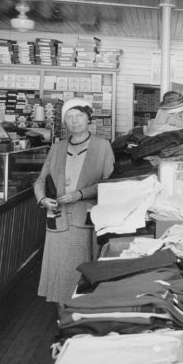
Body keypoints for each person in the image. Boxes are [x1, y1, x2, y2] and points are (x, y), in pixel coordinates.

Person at [35, 98, 115, 305]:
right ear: (64, 122)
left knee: (82, 267)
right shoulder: (57, 148)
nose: (74, 121)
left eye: (79, 115)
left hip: (85, 218)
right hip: (58, 216)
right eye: (69, 117)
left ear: (89, 118)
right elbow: (41, 180)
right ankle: (63, 316)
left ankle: (80, 313)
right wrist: (42, 199)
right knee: (60, 270)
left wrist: (80, 194)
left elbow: (109, 183)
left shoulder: (102, 146)